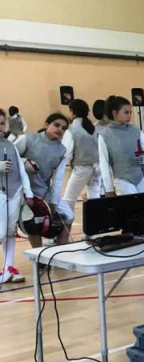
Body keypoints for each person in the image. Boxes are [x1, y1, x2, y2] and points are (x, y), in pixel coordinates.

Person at [15, 113, 73, 247]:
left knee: (69, 215)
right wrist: (24, 162)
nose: (60, 129)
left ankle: (61, 251)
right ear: (47, 124)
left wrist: (53, 202)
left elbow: (58, 180)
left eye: (64, 128)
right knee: (32, 222)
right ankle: (38, 254)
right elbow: (10, 157)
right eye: (56, 125)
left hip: (43, 191)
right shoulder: (28, 139)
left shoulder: (62, 150)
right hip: (21, 191)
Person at [0, 108, 35, 283]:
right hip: (0, 194)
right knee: (1, 233)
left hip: (14, 193)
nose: (0, 127)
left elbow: (21, 171)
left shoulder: (10, 145)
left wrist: (28, 192)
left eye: (2, 123)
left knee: (10, 232)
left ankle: (8, 268)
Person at [98, 96, 144, 196]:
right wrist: (109, 188)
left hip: (141, 177)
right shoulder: (104, 135)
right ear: (115, 113)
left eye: (130, 112)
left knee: (143, 203)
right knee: (132, 203)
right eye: (126, 112)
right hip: (122, 179)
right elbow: (104, 163)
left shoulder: (135, 130)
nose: (129, 115)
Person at [61, 99, 102, 227]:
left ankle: (65, 230)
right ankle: (93, 232)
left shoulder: (72, 130)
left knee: (68, 199)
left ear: (72, 111)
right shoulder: (94, 128)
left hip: (81, 168)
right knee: (94, 199)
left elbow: (66, 152)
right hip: (97, 168)